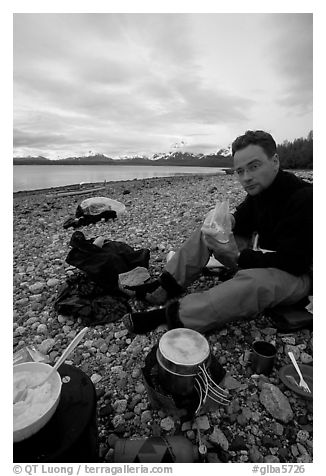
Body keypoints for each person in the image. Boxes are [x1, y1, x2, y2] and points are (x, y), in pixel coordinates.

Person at [123, 130, 313, 334]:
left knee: (255, 284)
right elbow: (243, 217)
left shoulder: (305, 198)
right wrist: (227, 220)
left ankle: (172, 316)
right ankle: (166, 286)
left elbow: (293, 262)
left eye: (254, 167)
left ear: (274, 161)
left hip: (298, 276)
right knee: (209, 232)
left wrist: (239, 256)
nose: (246, 178)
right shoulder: (260, 191)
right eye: (240, 171)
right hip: (263, 256)